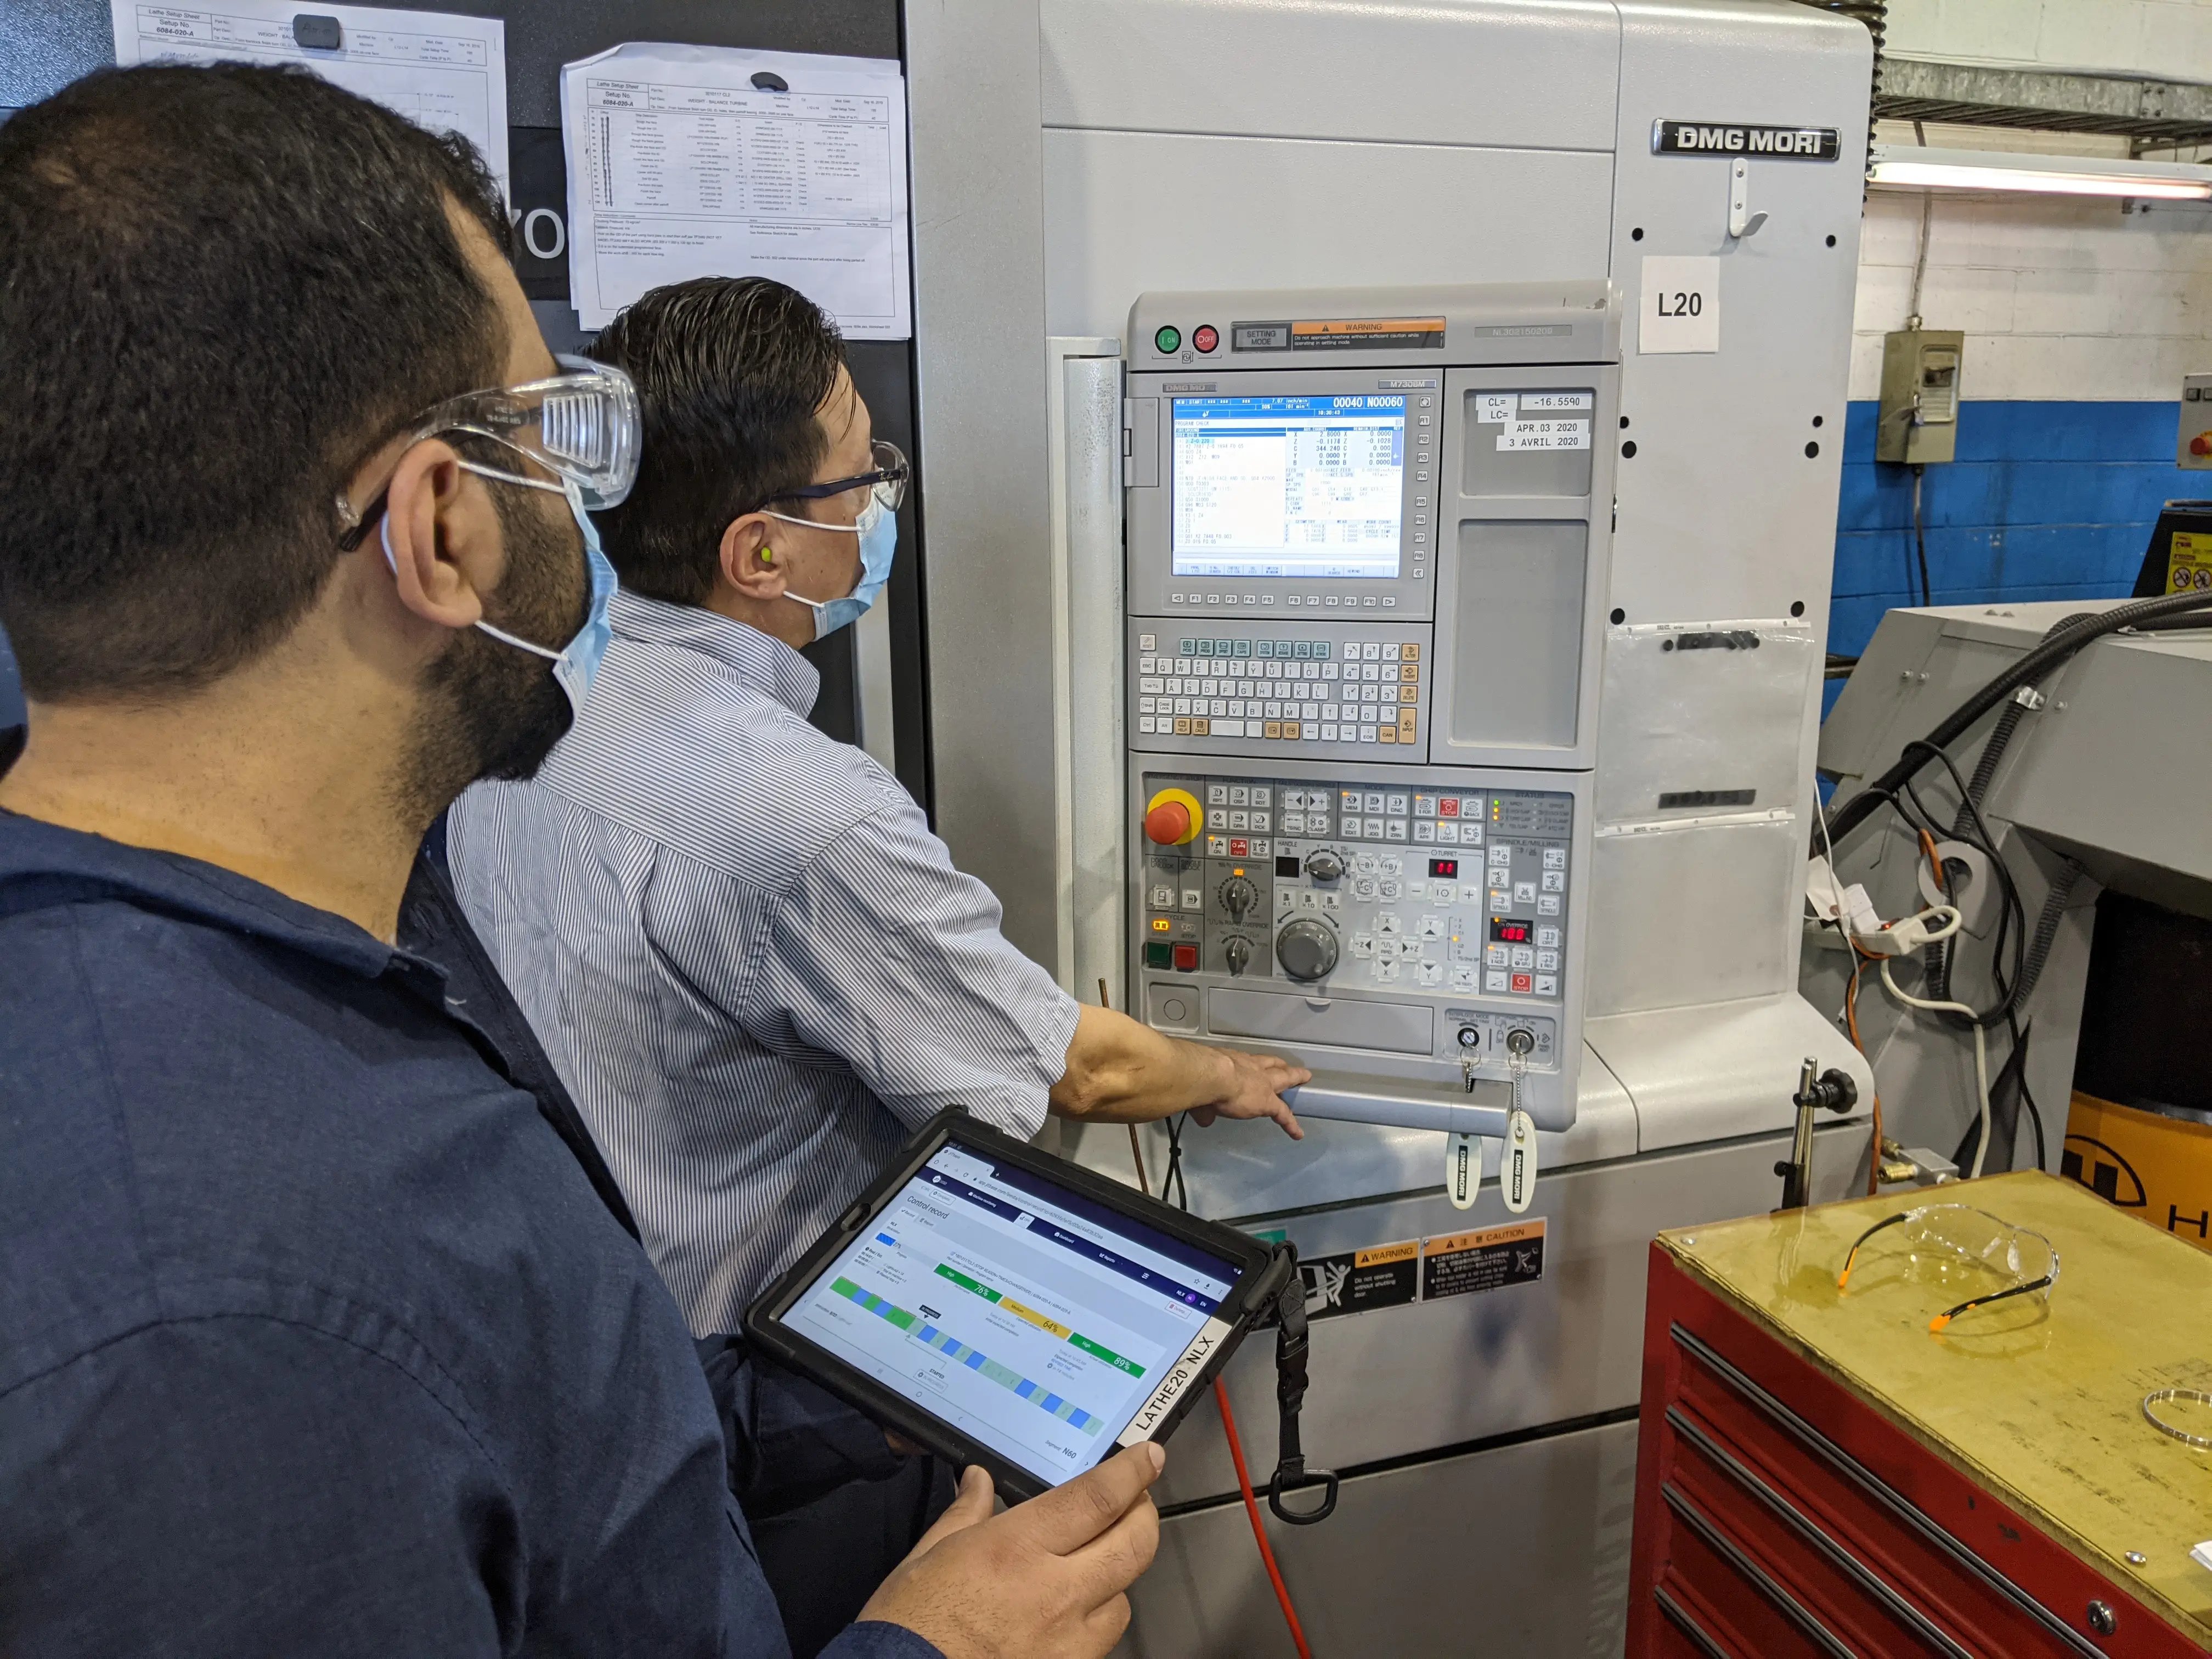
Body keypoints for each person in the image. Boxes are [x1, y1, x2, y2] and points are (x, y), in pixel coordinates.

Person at [0, 63, 1164, 1659]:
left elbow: (547, 1461)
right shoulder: (236, 1312)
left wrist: (792, 1421)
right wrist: (930, 1650)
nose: (584, 501)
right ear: (439, 525)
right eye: (552, 432)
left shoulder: (296, 977)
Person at [445, 278, 1309, 1645]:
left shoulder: (533, 702)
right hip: (772, 1408)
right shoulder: (797, 812)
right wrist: (1221, 1070)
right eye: (862, 473)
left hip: (595, 1370)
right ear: (763, 554)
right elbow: (1067, 1072)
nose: (881, 501)